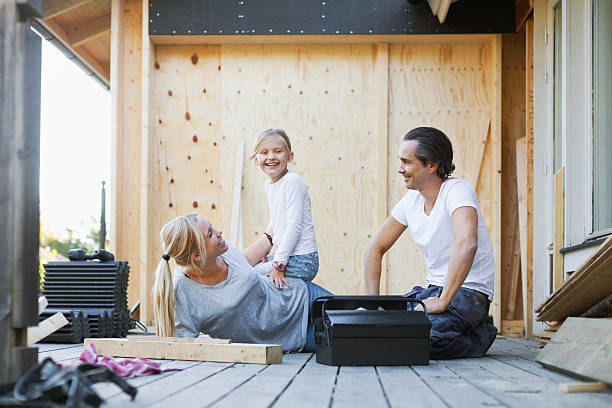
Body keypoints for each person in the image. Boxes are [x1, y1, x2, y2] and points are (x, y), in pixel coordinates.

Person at [364, 127, 498, 359]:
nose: (400, 169)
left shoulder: (457, 191)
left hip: (469, 293)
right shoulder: (411, 201)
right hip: (434, 291)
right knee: (384, 328)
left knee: (421, 340)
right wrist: (372, 307)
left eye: (407, 162)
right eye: (400, 161)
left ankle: (481, 334)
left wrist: (444, 300)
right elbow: (375, 248)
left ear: (432, 165)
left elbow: (467, 244)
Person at [151, 213, 332, 352]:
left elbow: (244, 263)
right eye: (210, 233)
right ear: (197, 255)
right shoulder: (183, 294)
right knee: (355, 339)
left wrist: (270, 236)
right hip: (294, 337)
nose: (219, 232)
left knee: (358, 314)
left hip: (301, 296)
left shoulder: (222, 249)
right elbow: (185, 348)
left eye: (212, 227)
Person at [251, 129, 319, 289]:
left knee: (252, 277)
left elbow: (294, 226)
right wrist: (267, 250)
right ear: (255, 159)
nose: (271, 157)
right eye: (264, 152)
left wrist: (278, 265)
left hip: (303, 259)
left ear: (290, 157)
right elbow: (276, 222)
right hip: (289, 256)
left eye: (278, 151)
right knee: (251, 269)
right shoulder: (269, 184)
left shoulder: (292, 181)